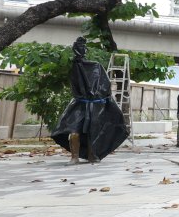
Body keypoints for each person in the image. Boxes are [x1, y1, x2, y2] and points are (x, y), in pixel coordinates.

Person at [52, 37, 129, 165]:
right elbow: (75, 85)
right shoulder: (75, 67)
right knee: (74, 131)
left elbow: (105, 86)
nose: (80, 52)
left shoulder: (96, 66)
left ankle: (92, 155)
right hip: (79, 104)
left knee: (92, 131)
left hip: (95, 105)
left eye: (81, 49)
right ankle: (74, 157)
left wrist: (102, 101)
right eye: (77, 49)